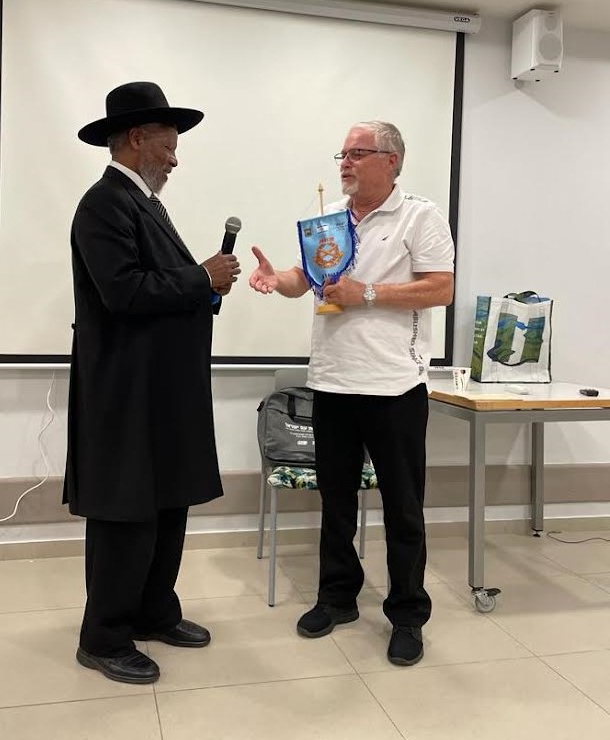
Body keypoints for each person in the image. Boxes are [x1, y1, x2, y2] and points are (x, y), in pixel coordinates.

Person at [249, 121, 454, 666]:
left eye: (357, 153)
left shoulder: (420, 216)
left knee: (403, 509)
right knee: (336, 502)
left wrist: (368, 293)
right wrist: (277, 280)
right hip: (333, 381)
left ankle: (407, 614)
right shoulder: (331, 218)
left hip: (394, 385)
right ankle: (336, 598)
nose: (345, 162)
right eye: (342, 153)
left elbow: (442, 287)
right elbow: (305, 279)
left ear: (391, 160)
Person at [63, 81, 240, 684]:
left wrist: (205, 287)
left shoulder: (146, 205)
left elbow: (163, 288)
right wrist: (201, 278)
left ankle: (153, 611)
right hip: (125, 393)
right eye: (168, 146)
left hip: (162, 392)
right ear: (137, 138)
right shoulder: (103, 203)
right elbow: (123, 291)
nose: (174, 159)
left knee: (167, 504)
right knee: (126, 513)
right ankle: (104, 636)